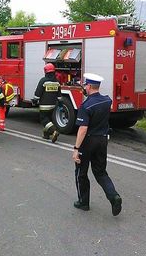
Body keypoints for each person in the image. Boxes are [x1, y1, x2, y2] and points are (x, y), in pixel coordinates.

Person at [72, 73, 122, 216]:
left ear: (88, 86)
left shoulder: (86, 106)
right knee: (100, 172)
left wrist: (76, 149)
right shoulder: (106, 101)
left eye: (85, 85)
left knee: (81, 172)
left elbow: (83, 129)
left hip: (88, 142)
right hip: (102, 140)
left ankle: (83, 202)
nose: (84, 88)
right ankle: (114, 197)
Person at [33, 63, 61, 143]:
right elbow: (59, 96)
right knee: (48, 119)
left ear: (46, 71)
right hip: (53, 105)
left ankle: (54, 131)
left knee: (43, 119)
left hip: (44, 105)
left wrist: (35, 99)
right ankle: (46, 135)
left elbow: (38, 92)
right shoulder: (57, 81)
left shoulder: (43, 80)